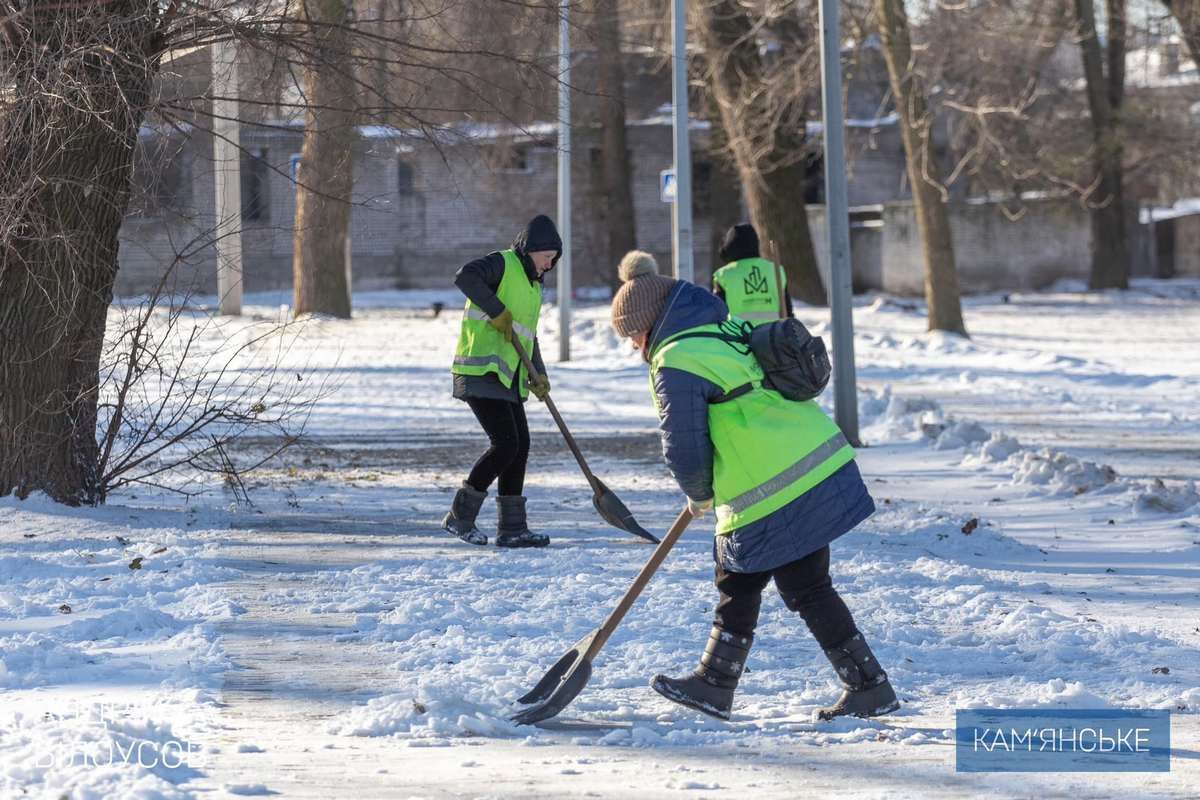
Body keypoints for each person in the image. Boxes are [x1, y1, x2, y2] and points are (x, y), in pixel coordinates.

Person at [609, 249, 899, 721]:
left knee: (753, 580)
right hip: (813, 461)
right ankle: (864, 686)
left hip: (771, 482)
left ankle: (718, 685)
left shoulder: (676, 357)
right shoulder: (725, 328)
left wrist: (699, 492)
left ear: (648, 324)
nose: (634, 347)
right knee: (785, 583)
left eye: (632, 336)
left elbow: (682, 443)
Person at [442, 215, 561, 549]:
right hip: (480, 370)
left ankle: (512, 528)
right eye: (546, 257)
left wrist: (539, 374)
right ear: (530, 250)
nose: (549, 264)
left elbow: (527, 336)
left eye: (553, 259)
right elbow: (465, 276)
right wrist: (495, 309)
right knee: (505, 443)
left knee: (520, 445)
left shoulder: (534, 285)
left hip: (508, 376)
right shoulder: (502, 264)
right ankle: (459, 517)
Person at [711, 223, 794, 326]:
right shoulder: (776, 269)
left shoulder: (723, 275)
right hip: (774, 336)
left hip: (738, 337)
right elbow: (788, 310)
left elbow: (716, 314)